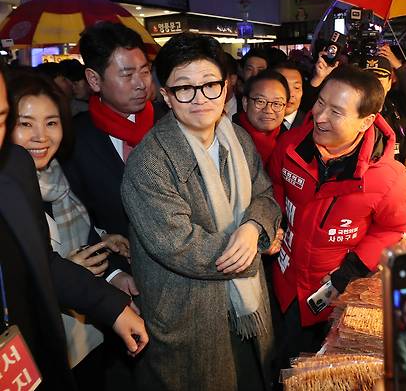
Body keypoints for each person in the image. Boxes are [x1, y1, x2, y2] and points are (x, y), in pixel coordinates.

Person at [121, 33, 281, 391]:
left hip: (245, 307)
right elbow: (178, 245)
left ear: (226, 87)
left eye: (210, 85)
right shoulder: (149, 162)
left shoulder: (236, 137)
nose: (199, 99)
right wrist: (253, 249)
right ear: (165, 95)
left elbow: (265, 193)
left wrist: (254, 226)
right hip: (189, 309)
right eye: (184, 89)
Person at [0, 65, 148, 391]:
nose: (41, 135)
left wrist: (112, 281)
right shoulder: (15, 183)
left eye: (51, 123)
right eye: (25, 124)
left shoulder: (47, 176)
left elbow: (65, 250)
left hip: (79, 341)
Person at [268, 65, 406, 366]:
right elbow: (275, 188)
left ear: (367, 121)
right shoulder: (291, 145)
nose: (319, 117)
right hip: (283, 282)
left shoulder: (388, 177)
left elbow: (393, 229)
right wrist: (273, 224)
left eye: (336, 111)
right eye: (320, 102)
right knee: (279, 361)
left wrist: (349, 271)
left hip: (336, 297)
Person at [362, 45, 406, 159]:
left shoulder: (396, 108)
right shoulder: (353, 108)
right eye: (369, 78)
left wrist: (398, 66)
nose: (374, 83)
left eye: (380, 78)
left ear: (390, 82)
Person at [234, 70, 289, 166]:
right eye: (260, 101)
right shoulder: (228, 137)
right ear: (245, 103)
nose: (268, 110)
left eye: (277, 103)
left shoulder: (290, 144)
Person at [274, 62, 306, 131]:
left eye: (297, 88)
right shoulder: (257, 122)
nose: (291, 94)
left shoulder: (311, 127)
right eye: (284, 86)